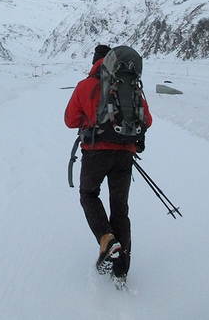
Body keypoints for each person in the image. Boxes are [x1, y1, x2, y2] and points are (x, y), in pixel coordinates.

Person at [64, 44, 152, 288]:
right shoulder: (130, 85)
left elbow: (70, 121)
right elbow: (148, 120)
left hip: (94, 154)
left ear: (95, 62)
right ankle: (121, 273)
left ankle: (106, 238)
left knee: (89, 194)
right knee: (120, 210)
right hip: (125, 155)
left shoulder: (85, 86)